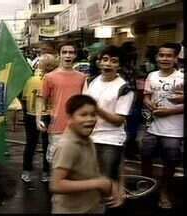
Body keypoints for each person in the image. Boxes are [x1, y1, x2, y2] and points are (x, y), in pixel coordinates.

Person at [50, 95, 122, 214]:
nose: (90, 119)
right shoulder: (68, 145)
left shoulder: (88, 140)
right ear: (70, 117)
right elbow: (56, 184)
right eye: (83, 115)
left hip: (91, 207)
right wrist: (98, 183)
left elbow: (91, 173)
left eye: (93, 114)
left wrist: (110, 184)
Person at [83, 46, 134, 212]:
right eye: (105, 59)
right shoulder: (92, 81)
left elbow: (118, 120)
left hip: (110, 140)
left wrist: (95, 109)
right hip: (89, 137)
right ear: (99, 62)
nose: (108, 64)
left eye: (113, 61)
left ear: (119, 66)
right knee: (89, 177)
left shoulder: (124, 88)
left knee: (106, 179)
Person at [141, 43, 184, 209]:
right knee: (145, 155)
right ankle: (145, 184)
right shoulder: (151, 75)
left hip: (174, 130)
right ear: (157, 57)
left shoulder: (181, 78)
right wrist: (149, 104)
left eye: (169, 56)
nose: (165, 59)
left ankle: (164, 190)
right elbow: (146, 97)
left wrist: (170, 111)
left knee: (170, 161)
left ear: (175, 58)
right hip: (152, 126)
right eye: (161, 55)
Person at [36, 43, 86, 164]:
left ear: (75, 56)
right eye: (64, 52)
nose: (68, 55)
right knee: (57, 163)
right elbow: (41, 98)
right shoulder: (49, 77)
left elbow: (85, 100)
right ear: (59, 55)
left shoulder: (82, 77)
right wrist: (38, 119)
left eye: (71, 52)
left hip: (77, 126)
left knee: (75, 163)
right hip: (57, 126)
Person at [21, 54, 58, 183]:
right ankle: (46, 172)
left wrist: (27, 112)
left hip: (31, 115)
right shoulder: (55, 80)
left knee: (30, 144)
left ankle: (27, 171)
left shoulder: (31, 80)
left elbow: (24, 98)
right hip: (49, 115)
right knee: (48, 145)